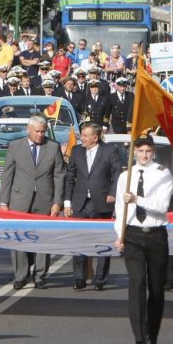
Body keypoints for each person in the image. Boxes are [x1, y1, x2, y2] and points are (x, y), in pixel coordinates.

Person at [113, 135, 172, 344]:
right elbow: (120, 209)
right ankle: (139, 338)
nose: (144, 155)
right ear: (134, 153)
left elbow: (162, 205)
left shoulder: (162, 174)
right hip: (134, 236)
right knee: (136, 284)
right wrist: (120, 235)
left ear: (153, 152)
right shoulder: (125, 177)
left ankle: (152, 336)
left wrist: (137, 199)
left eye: (148, 151)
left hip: (156, 234)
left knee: (156, 289)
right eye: (140, 151)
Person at [0, 115, 66, 289]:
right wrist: (4, 202)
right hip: (19, 200)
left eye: (43, 131)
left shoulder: (53, 147)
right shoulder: (15, 146)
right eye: (37, 131)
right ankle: (21, 275)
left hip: (44, 200)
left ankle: (39, 275)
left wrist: (57, 202)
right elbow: (7, 175)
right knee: (19, 238)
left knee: (42, 238)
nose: (40, 134)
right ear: (28, 130)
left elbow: (59, 175)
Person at [65, 122, 122, 291]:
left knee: (103, 243)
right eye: (81, 135)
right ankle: (79, 278)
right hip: (80, 204)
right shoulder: (77, 151)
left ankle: (100, 280)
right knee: (78, 241)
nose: (81, 138)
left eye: (84, 135)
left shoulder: (109, 150)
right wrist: (67, 202)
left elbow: (117, 173)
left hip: (102, 203)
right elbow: (70, 177)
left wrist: (113, 193)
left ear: (94, 138)